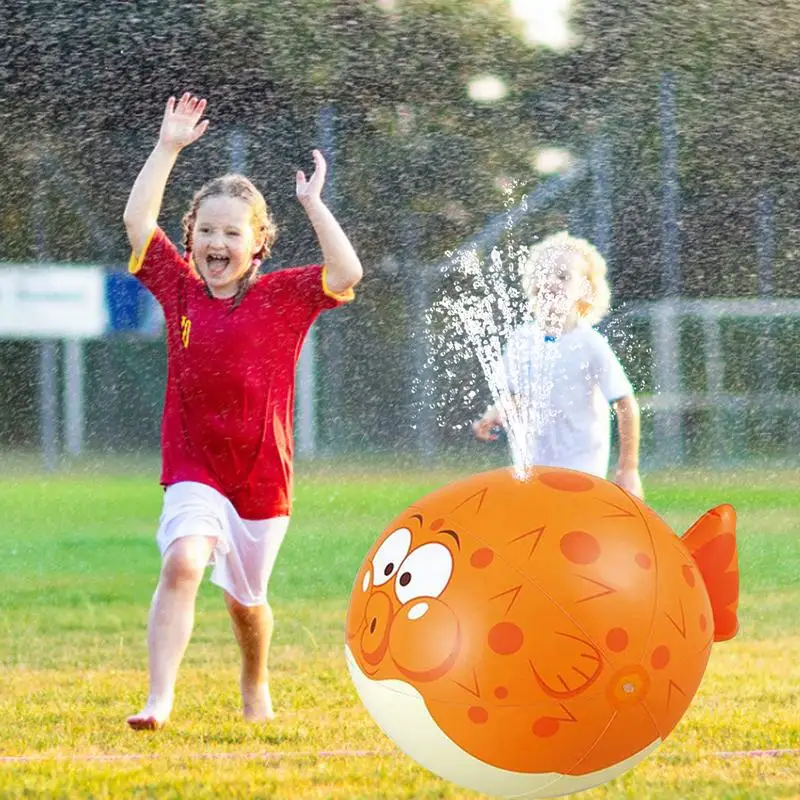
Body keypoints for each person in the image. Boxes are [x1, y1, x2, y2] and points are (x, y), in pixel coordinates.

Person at [123, 93, 363, 730]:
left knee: (245, 602)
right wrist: (168, 146)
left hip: (262, 479)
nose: (216, 242)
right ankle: (159, 698)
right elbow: (137, 222)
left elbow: (347, 269)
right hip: (194, 467)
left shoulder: (285, 295)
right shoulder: (176, 286)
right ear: (191, 238)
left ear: (259, 244)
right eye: (206, 230)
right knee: (182, 562)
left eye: (232, 233)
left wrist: (313, 204)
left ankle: (254, 678)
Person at [472, 231, 643, 498]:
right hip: (534, 466)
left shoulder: (590, 344)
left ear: (585, 289)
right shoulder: (521, 340)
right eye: (545, 273)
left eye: (563, 276)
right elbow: (515, 394)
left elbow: (625, 403)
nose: (551, 281)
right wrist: (495, 412)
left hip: (583, 466)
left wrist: (628, 469)